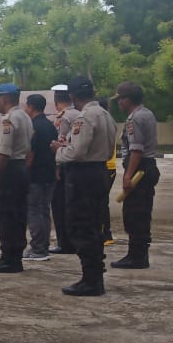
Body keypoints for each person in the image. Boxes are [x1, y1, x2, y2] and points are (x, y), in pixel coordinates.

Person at [51, 76, 116, 296]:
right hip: (99, 171)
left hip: (83, 175)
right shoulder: (105, 114)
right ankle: (94, 275)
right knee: (95, 224)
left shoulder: (85, 117)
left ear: (72, 95)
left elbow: (76, 152)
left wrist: (58, 151)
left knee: (81, 225)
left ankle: (91, 280)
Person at [111, 81, 161, 269]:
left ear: (127, 99)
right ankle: (138, 254)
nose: (118, 104)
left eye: (120, 99)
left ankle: (137, 256)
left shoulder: (134, 118)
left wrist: (127, 176)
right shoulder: (147, 113)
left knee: (134, 213)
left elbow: (136, 150)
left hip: (139, 169)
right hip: (148, 167)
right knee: (142, 211)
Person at [0, 84, 32, 273]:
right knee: (18, 214)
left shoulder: (9, 119)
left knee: (5, 215)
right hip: (20, 168)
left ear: (4, 98)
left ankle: (8, 258)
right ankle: (15, 256)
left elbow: (4, 152)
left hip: (9, 170)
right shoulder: (25, 117)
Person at [23, 94, 57, 261]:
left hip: (36, 175)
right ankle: (43, 246)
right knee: (44, 211)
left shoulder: (33, 126)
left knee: (35, 212)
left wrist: (24, 174)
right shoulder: (51, 126)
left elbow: (30, 154)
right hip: (49, 175)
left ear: (31, 107)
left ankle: (38, 248)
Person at [50, 84, 80, 255]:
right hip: (79, 164)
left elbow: (60, 143)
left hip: (66, 165)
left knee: (60, 206)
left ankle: (64, 242)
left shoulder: (64, 117)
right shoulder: (79, 114)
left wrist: (57, 168)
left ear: (56, 101)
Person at [98, 99, 117, 246]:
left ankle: (106, 234)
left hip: (107, 167)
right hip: (107, 167)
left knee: (101, 203)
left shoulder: (105, 122)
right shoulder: (108, 121)